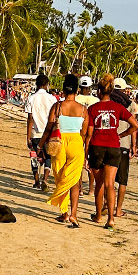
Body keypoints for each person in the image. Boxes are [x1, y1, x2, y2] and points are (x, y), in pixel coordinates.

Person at [86, 74, 138, 229]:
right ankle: (110, 218)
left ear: (100, 91)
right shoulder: (118, 108)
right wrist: (121, 135)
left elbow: (89, 134)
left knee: (99, 184)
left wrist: (86, 152)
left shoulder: (93, 109)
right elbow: (135, 125)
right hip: (114, 147)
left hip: (97, 147)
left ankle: (98, 216)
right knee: (110, 184)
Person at [38, 74, 88, 227]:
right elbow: (84, 132)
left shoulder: (57, 106)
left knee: (60, 177)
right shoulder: (83, 109)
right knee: (73, 180)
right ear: (77, 90)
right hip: (76, 142)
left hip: (59, 142)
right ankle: (73, 214)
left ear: (64, 89)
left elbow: (48, 128)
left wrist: (40, 145)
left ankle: (64, 213)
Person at [25, 74, 57, 190]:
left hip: (35, 132)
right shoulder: (52, 99)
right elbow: (55, 118)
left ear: (36, 84)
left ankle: (37, 180)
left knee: (34, 156)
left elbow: (30, 118)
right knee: (48, 156)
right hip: (48, 133)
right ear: (47, 85)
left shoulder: (31, 98)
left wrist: (28, 137)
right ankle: (45, 179)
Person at [111, 78, 136, 218]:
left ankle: (106, 204)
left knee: (108, 179)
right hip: (124, 144)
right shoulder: (130, 104)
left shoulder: (107, 102)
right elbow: (133, 127)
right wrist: (134, 146)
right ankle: (118, 209)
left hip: (108, 143)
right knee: (122, 180)